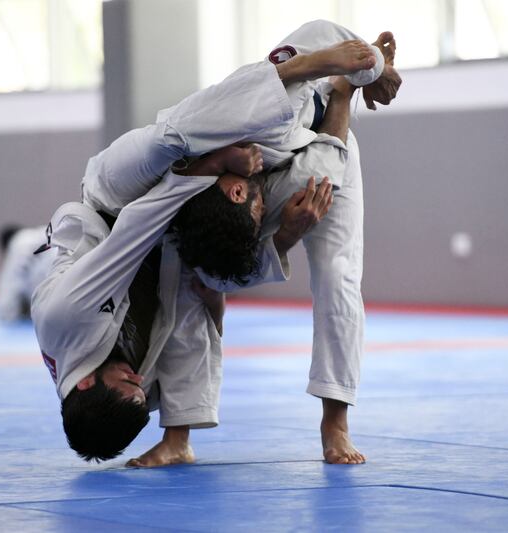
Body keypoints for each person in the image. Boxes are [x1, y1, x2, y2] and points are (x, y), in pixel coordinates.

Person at [33, 41, 370, 463]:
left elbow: (131, 233)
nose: (138, 377)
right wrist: (278, 241)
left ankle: (300, 68)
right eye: (140, 389)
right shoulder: (122, 392)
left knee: (172, 137)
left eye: (126, 382)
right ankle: (340, 94)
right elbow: (190, 322)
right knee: (314, 226)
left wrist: (208, 166)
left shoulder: (66, 319)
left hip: (119, 202)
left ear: (83, 384)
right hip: (178, 239)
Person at [171, 20, 401, 465]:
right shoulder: (184, 192)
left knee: (338, 274)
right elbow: (227, 267)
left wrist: (366, 73)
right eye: (260, 216)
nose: (265, 214)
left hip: (325, 138)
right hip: (239, 184)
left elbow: (331, 42)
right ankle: (178, 434)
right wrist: (284, 235)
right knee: (196, 279)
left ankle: (336, 420)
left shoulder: (266, 100)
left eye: (260, 213)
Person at [0, 225, 55, 322]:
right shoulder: (42, 232)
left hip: (53, 293)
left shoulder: (18, 244)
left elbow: (8, 292)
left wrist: (7, 314)